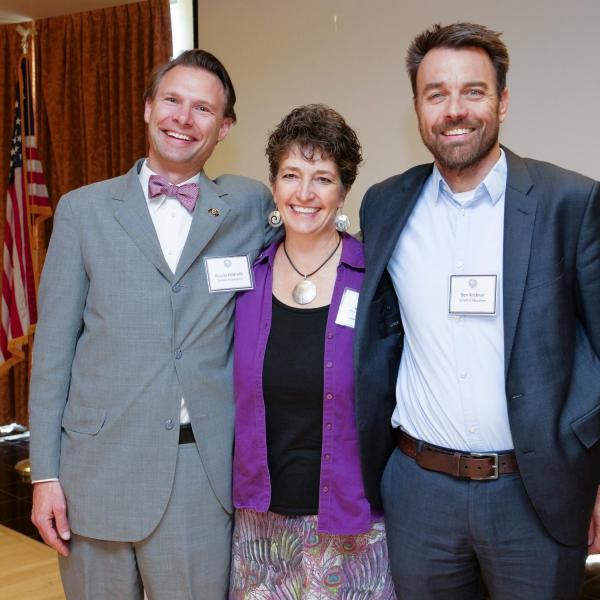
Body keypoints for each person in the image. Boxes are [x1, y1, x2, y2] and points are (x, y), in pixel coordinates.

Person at [354, 22, 600, 600]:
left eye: (473, 91)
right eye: (435, 93)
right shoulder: (386, 203)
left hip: (535, 493)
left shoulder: (571, 202)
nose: (454, 110)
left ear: (503, 101)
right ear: (416, 108)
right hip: (419, 494)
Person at [28, 49, 274, 599]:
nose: (183, 119)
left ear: (225, 126)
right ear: (147, 108)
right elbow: (52, 356)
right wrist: (45, 475)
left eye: (203, 110)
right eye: (172, 101)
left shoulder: (248, 206)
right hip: (95, 474)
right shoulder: (82, 211)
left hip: (200, 477)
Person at [230, 104, 396, 599]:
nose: (304, 194)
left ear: (344, 191)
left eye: (322, 178)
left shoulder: (376, 280)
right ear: (274, 185)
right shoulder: (245, 276)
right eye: (291, 175)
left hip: (353, 524)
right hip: (260, 523)